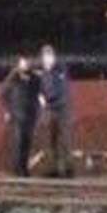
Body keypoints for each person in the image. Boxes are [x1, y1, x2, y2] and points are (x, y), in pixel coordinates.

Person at [0, 55, 41, 177]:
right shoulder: (12, 78)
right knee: (19, 141)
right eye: (23, 63)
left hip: (31, 113)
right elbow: (3, 94)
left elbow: (39, 91)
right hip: (17, 114)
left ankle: (24, 167)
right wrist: (8, 110)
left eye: (27, 62)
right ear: (18, 65)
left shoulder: (34, 78)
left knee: (27, 141)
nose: (25, 65)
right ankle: (17, 168)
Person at [36, 44, 72, 178]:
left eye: (49, 56)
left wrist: (47, 98)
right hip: (50, 109)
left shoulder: (60, 70)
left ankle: (67, 168)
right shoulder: (43, 73)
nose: (47, 59)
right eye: (45, 56)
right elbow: (41, 88)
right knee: (51, 140)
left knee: (64, 139)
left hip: (61, 108)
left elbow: (60, 89)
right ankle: (54, 168)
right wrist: (41, 97)